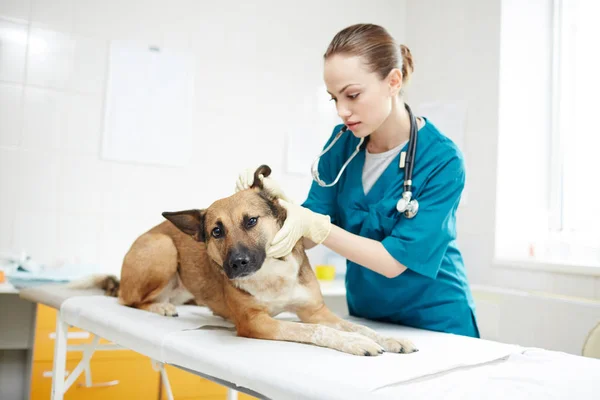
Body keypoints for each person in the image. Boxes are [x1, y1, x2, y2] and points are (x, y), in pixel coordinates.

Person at [236, 23, 479, 338]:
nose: (342, 111)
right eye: (333, 98)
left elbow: (393, 261)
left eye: (352, 95)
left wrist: (318, 227)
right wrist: (276, 208)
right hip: (370, 317)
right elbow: (306, 235)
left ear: (393, 81)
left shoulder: (442, 160)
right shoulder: (341, 143)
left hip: (437, 321)